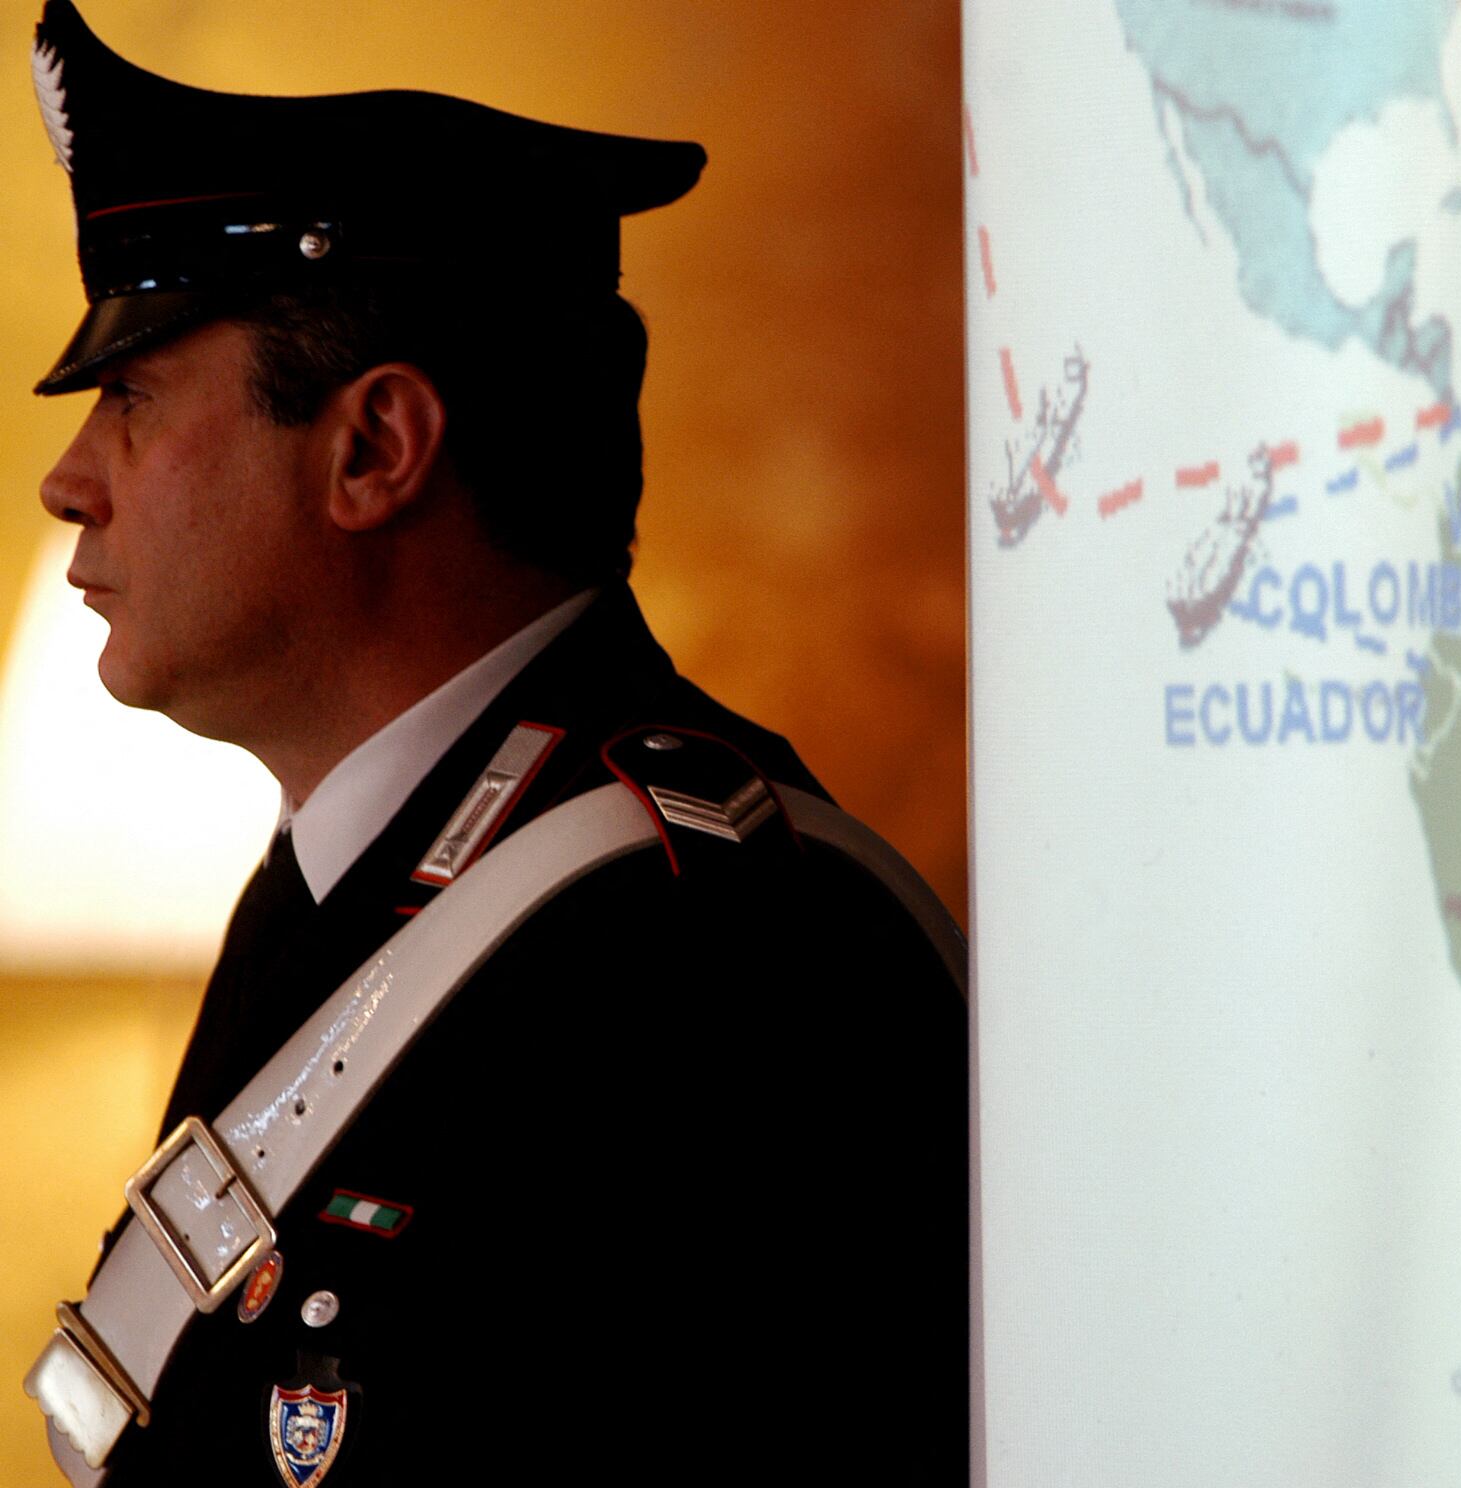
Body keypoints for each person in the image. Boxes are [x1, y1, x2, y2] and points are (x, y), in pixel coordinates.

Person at [18, 4, 968, 1483]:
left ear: (374, 450)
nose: (68, 484)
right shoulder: (343, 880)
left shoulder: (709, 948)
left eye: (132, 402)